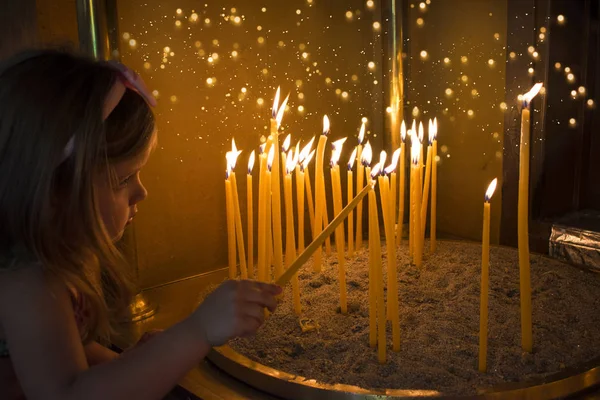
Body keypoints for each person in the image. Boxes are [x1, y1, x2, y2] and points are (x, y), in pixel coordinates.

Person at [0, 49, 281, 400]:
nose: (142, 193)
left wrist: (140, 363)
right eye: (123, 179)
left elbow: (72, 359)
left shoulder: (64, 253)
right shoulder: (27, 280)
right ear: (53, 190)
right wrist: (196, 331)